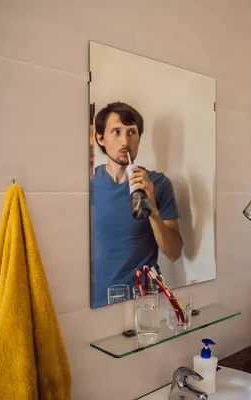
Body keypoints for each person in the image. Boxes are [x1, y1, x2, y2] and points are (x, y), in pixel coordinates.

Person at [90, 102, 183, 308]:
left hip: (145, 301)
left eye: (132, 132)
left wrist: (153, 210)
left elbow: (174, 253)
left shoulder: (158, 184)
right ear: (100, 138)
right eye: (116, 132)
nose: (125, 141)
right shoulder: (88, 185)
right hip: (96, 302)